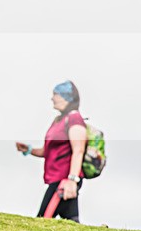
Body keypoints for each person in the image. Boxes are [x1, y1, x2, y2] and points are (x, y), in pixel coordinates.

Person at [15, 81, 87, 222]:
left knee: (43, 220)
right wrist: (29, 150)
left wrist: (72, 181)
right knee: (70, 221)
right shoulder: (58, 121)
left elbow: (78, 150)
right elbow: (47, 151)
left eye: (55, 94)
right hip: (55, 179)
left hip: (64, 181)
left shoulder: (74, 118)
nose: (52, 98)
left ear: (66, 96)